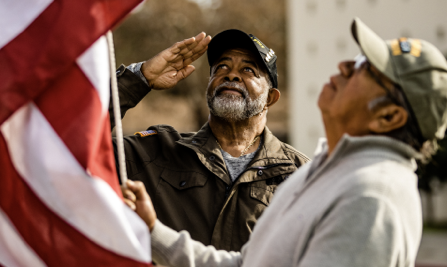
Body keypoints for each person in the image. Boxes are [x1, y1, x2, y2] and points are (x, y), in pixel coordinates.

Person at [120, 17, 447, 267]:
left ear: (389, 116)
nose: (344, 65)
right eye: (220, 67)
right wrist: (154, 232)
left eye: (365, 68)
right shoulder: (323, 174)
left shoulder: (374, 195)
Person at [111, 30, 310, 252]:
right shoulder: (156, 152)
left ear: (270, 99)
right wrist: (139, 78)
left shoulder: (302, 176)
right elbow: (74, 140)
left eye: (248, 69)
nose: (231, 75)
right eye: (221, 67)